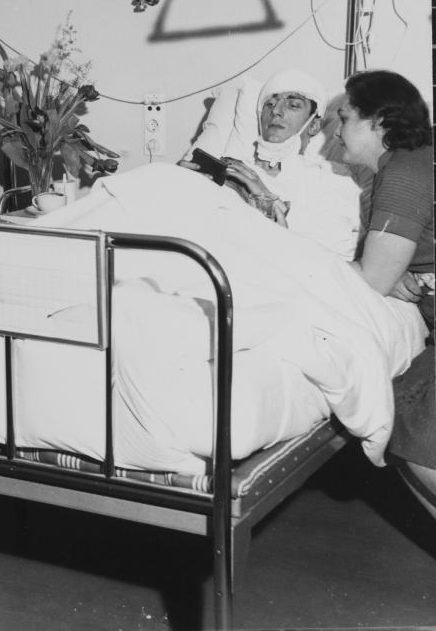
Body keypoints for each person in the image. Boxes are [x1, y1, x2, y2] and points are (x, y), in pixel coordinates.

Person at [334, 69, 434, 521]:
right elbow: (389, 272)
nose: (338, 129)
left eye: (346, 116)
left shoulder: (405, 172)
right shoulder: (412, 162)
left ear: (378, 121)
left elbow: (372, 277)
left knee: (414, 431)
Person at [182, 68, 363, 259]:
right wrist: (186, 184)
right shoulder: (232, 168)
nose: (276, 111)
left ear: (314, 125)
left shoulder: (331, 177)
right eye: (269, 104)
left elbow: (343, 245)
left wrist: (268, 198)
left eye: (293, 105)